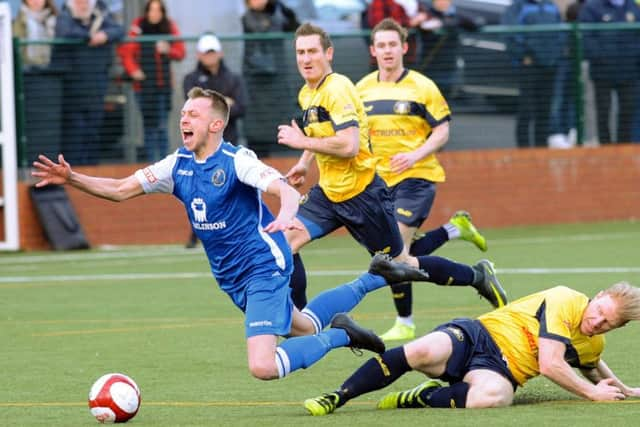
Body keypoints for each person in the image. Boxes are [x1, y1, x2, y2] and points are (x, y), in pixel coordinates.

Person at [31, 87, 437, 381]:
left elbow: (280, 187)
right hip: (232, 278)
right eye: (183, 113)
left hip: (264, 265)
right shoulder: (177, 165)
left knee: (263, 365)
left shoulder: (236, 160)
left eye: (192, 113)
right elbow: (120, 190)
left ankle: (341, 336)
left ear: (216, 123)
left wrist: (286, 213)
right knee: (304, 326)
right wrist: (71, 178)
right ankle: (375, 276)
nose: (183, 118)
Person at [277, 22, 507, 315]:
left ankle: (477, 277)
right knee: (285, 245)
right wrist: (303, 162)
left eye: (312, 51)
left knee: (402, 263)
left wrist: (300, 140)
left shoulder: (339, 88)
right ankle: (301, 324)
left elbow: (348, 145)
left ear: (329, 54)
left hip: (363, 197)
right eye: (300, 52)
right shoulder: (307, 93)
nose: (306, 59)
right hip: (328, 194)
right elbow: (321, 136)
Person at [304, 281, 640, 415]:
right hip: (477, 336)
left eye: (607, 323)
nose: (597, 322)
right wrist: (593, 394)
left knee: (494, 398)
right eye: (599, 311)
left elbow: (592, 363)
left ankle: (421, 397)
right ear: (596, 297)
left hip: (500, 372)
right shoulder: (566, 300)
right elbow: (551, 364)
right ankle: (338, 396)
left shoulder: (593, 341)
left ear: (617, 327)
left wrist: (624, 389)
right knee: (423, 350)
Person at [356, 18, 488, 342]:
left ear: (404, 47)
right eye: (381, 45)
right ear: (373, 51)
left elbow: (442, 130)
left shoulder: (423, 86)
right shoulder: (361, 90)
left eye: (392, 44)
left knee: (394, 250)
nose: (387, 51)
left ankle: (406, 322)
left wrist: (415, 155)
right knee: (394, 253)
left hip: (417, 176)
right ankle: (455, 229)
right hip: (379, 182)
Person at [182, 33, 248, 249]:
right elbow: (194, 107)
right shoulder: (191, 79)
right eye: (206, 52)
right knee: (199, 191)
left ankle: (232, 231)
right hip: (201, 146)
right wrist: (224, 102)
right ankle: (196, 234)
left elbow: (241, 107)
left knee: (230, 188)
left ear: (219, 53)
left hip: (228, 143)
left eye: (213, 51)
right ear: (199, 55)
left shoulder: (234, 78)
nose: (210, 56)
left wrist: (217, 106)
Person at [51, 0, 124, 165]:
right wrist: (90, 36)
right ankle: (74, 172)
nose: (82, 3)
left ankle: (91, 172)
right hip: (72, 87)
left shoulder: (101, 12)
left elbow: (118, 30)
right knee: (74, 133)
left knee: (93, 131)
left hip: (96, 86)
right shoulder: (65, 15)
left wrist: (104, 35)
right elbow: (65, 31)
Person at [116, 0, 185, 162]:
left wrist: (169, 50)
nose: (154, 13)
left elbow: (180, 52)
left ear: (162, 12)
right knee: (149, 127)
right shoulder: (138, 25)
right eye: (151, 10)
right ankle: (152, 164)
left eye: (158, 10)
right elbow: (126, 51)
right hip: (143, 87)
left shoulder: (169, 26)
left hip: (163, 86)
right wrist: (134, 70)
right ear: (146, 11)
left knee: (161, 127)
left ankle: (165, 165)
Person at [502, 0, 564, 148]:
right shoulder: (517, 7)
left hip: (550, 65)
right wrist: (523, 56)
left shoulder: (551, 6)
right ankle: (523, 151)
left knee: (544, 111)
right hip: (529, 67)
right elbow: (510, 35)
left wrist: (556, 54)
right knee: (526, 110)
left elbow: (560, 32)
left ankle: (541, 150)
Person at [242, 0, 299, 157]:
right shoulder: (247, 17)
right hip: (256, 82)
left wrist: (278, 5)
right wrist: (272, 12)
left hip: (277, 81)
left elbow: (294, 26)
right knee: (258, 132)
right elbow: (260, 28)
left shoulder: (275, 13)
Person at [578, 0, 640, 144]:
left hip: (629, 72)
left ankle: (623, 149)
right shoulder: (592, 7)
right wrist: (602, 57)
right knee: (603, 112)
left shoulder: (632, 6)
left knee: (627, 112)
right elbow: (587, 38)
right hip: (602, 72)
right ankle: (605, 148)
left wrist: (634, 58)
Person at [416, 0, 481, 100]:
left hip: (448, 67)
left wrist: (448, 23)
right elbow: (423, 27)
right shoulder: (427, 14)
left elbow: (477, 23)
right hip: (430, 66)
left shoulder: (456, 15)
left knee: (444, 103)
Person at [12, 0, 58, 68]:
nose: (36, 1)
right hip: (26, 69)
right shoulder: (17, 19)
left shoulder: (56, 19)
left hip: (50, 69)